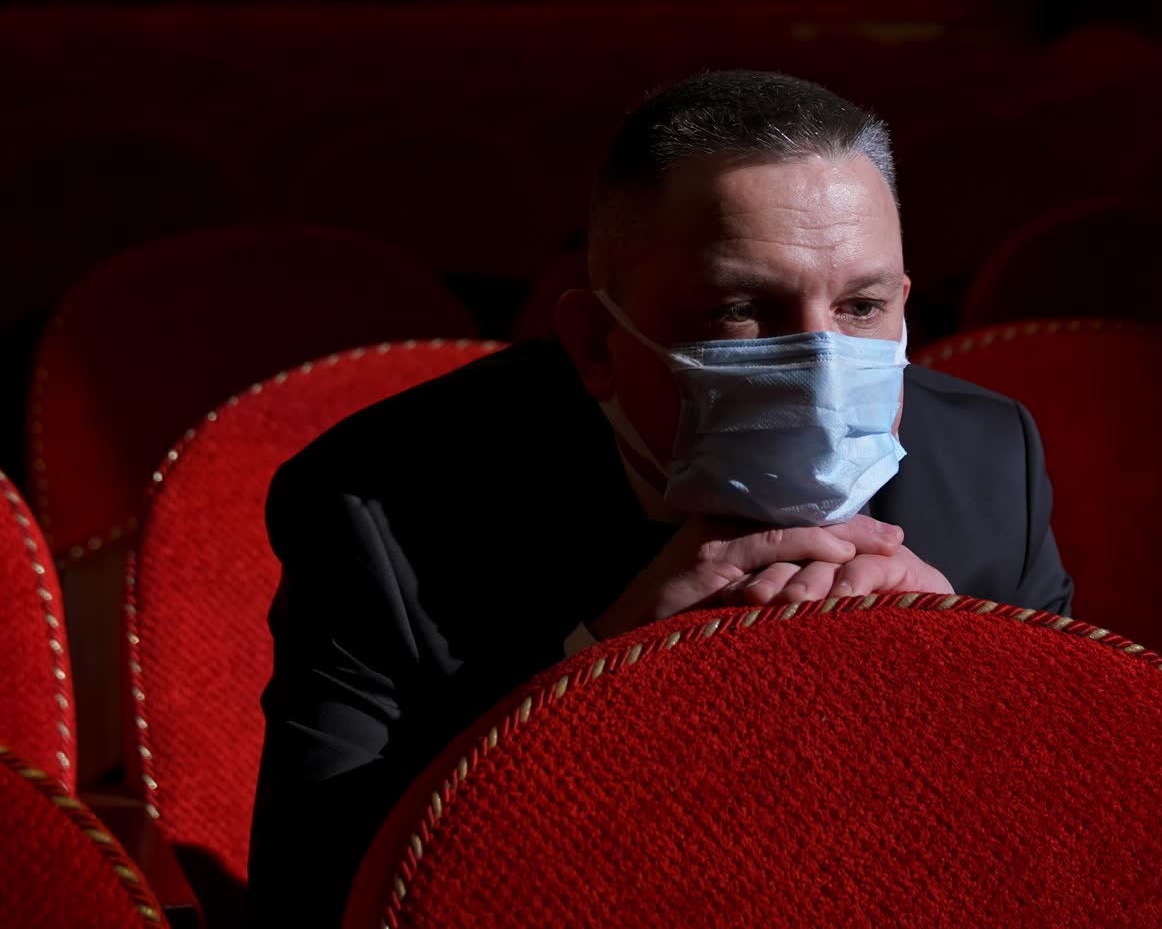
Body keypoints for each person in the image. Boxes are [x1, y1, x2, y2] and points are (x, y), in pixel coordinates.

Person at [248, 71, 1072, 925]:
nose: (823, 364)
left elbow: (1082, 830)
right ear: (599, 343)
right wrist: (586, 683)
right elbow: (315, 897)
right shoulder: (386, 506)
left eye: (861, 306)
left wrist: (975, 671)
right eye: (742, 309)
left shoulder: (988, 467)